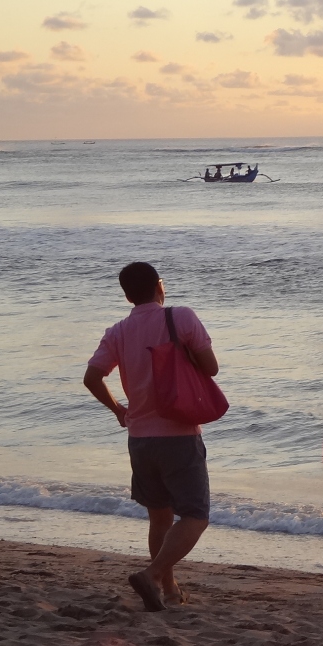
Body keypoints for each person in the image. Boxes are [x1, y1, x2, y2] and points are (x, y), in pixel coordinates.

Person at [84, 262, 219, 612]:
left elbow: (92, 378)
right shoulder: (181, 317)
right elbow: (211, 367)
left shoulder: (118, 331)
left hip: (140, 438)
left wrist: (118, 409)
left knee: (160, 517)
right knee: (196, 515)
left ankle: (170, 589)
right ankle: (154, 574)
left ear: (127, 295)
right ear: (160, 285)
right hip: (178, 434)